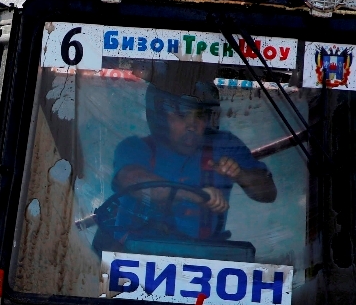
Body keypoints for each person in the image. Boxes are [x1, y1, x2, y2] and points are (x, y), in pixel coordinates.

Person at [107, 82, 277, 243]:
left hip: (201, 257)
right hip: (133, 255)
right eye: (181, 114)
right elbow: (133, 182)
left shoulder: (223, 146)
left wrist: (240, 174)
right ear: (160, 116)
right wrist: (196, 195)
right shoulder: (135, 147)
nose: (192, 125)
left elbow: (268, 193)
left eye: (200, 115)